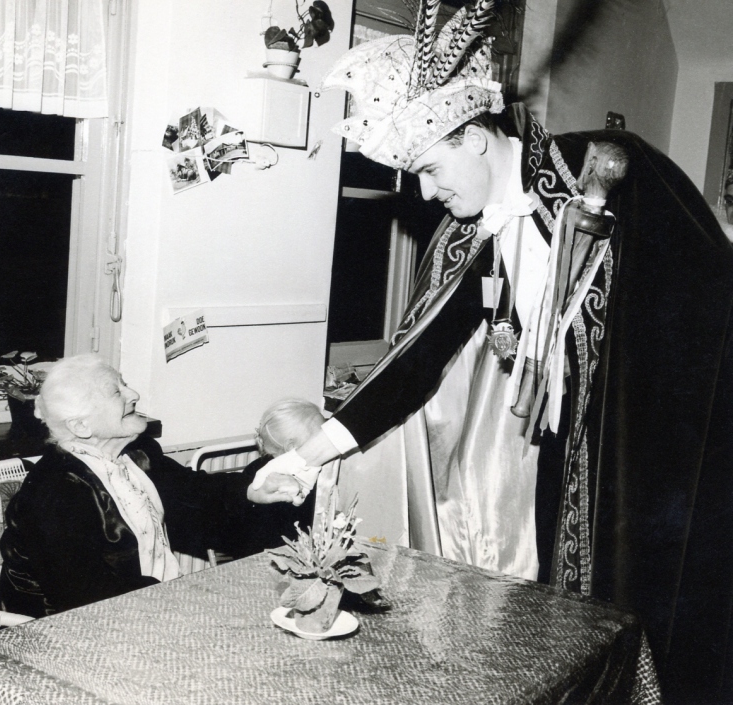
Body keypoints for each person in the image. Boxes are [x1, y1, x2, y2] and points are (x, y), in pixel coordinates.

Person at [250, 5, 733, 702]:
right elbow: (412, 363)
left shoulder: (613, 174)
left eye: (430, 168)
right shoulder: (466, 233)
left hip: (654, 455)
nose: (427, 192)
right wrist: (303, 459)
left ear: (474, 138)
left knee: (653, 613)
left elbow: (706, 308)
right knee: (571, 616)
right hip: (563, 457)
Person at [0, 355, 277, 618]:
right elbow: (85, 595)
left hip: (148, 605)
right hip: (68, 627)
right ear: (81, 426)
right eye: (116, 392)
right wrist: (184, 601)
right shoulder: (55, 491)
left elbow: (194, 490)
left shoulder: (136, 454)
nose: (134, 394)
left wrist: (254, 489)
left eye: (125, 384)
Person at [238, 399, 324, 555]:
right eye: (319, 439)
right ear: (292, 448)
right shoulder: (280, 483)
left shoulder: (255, 467)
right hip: (271, 556)